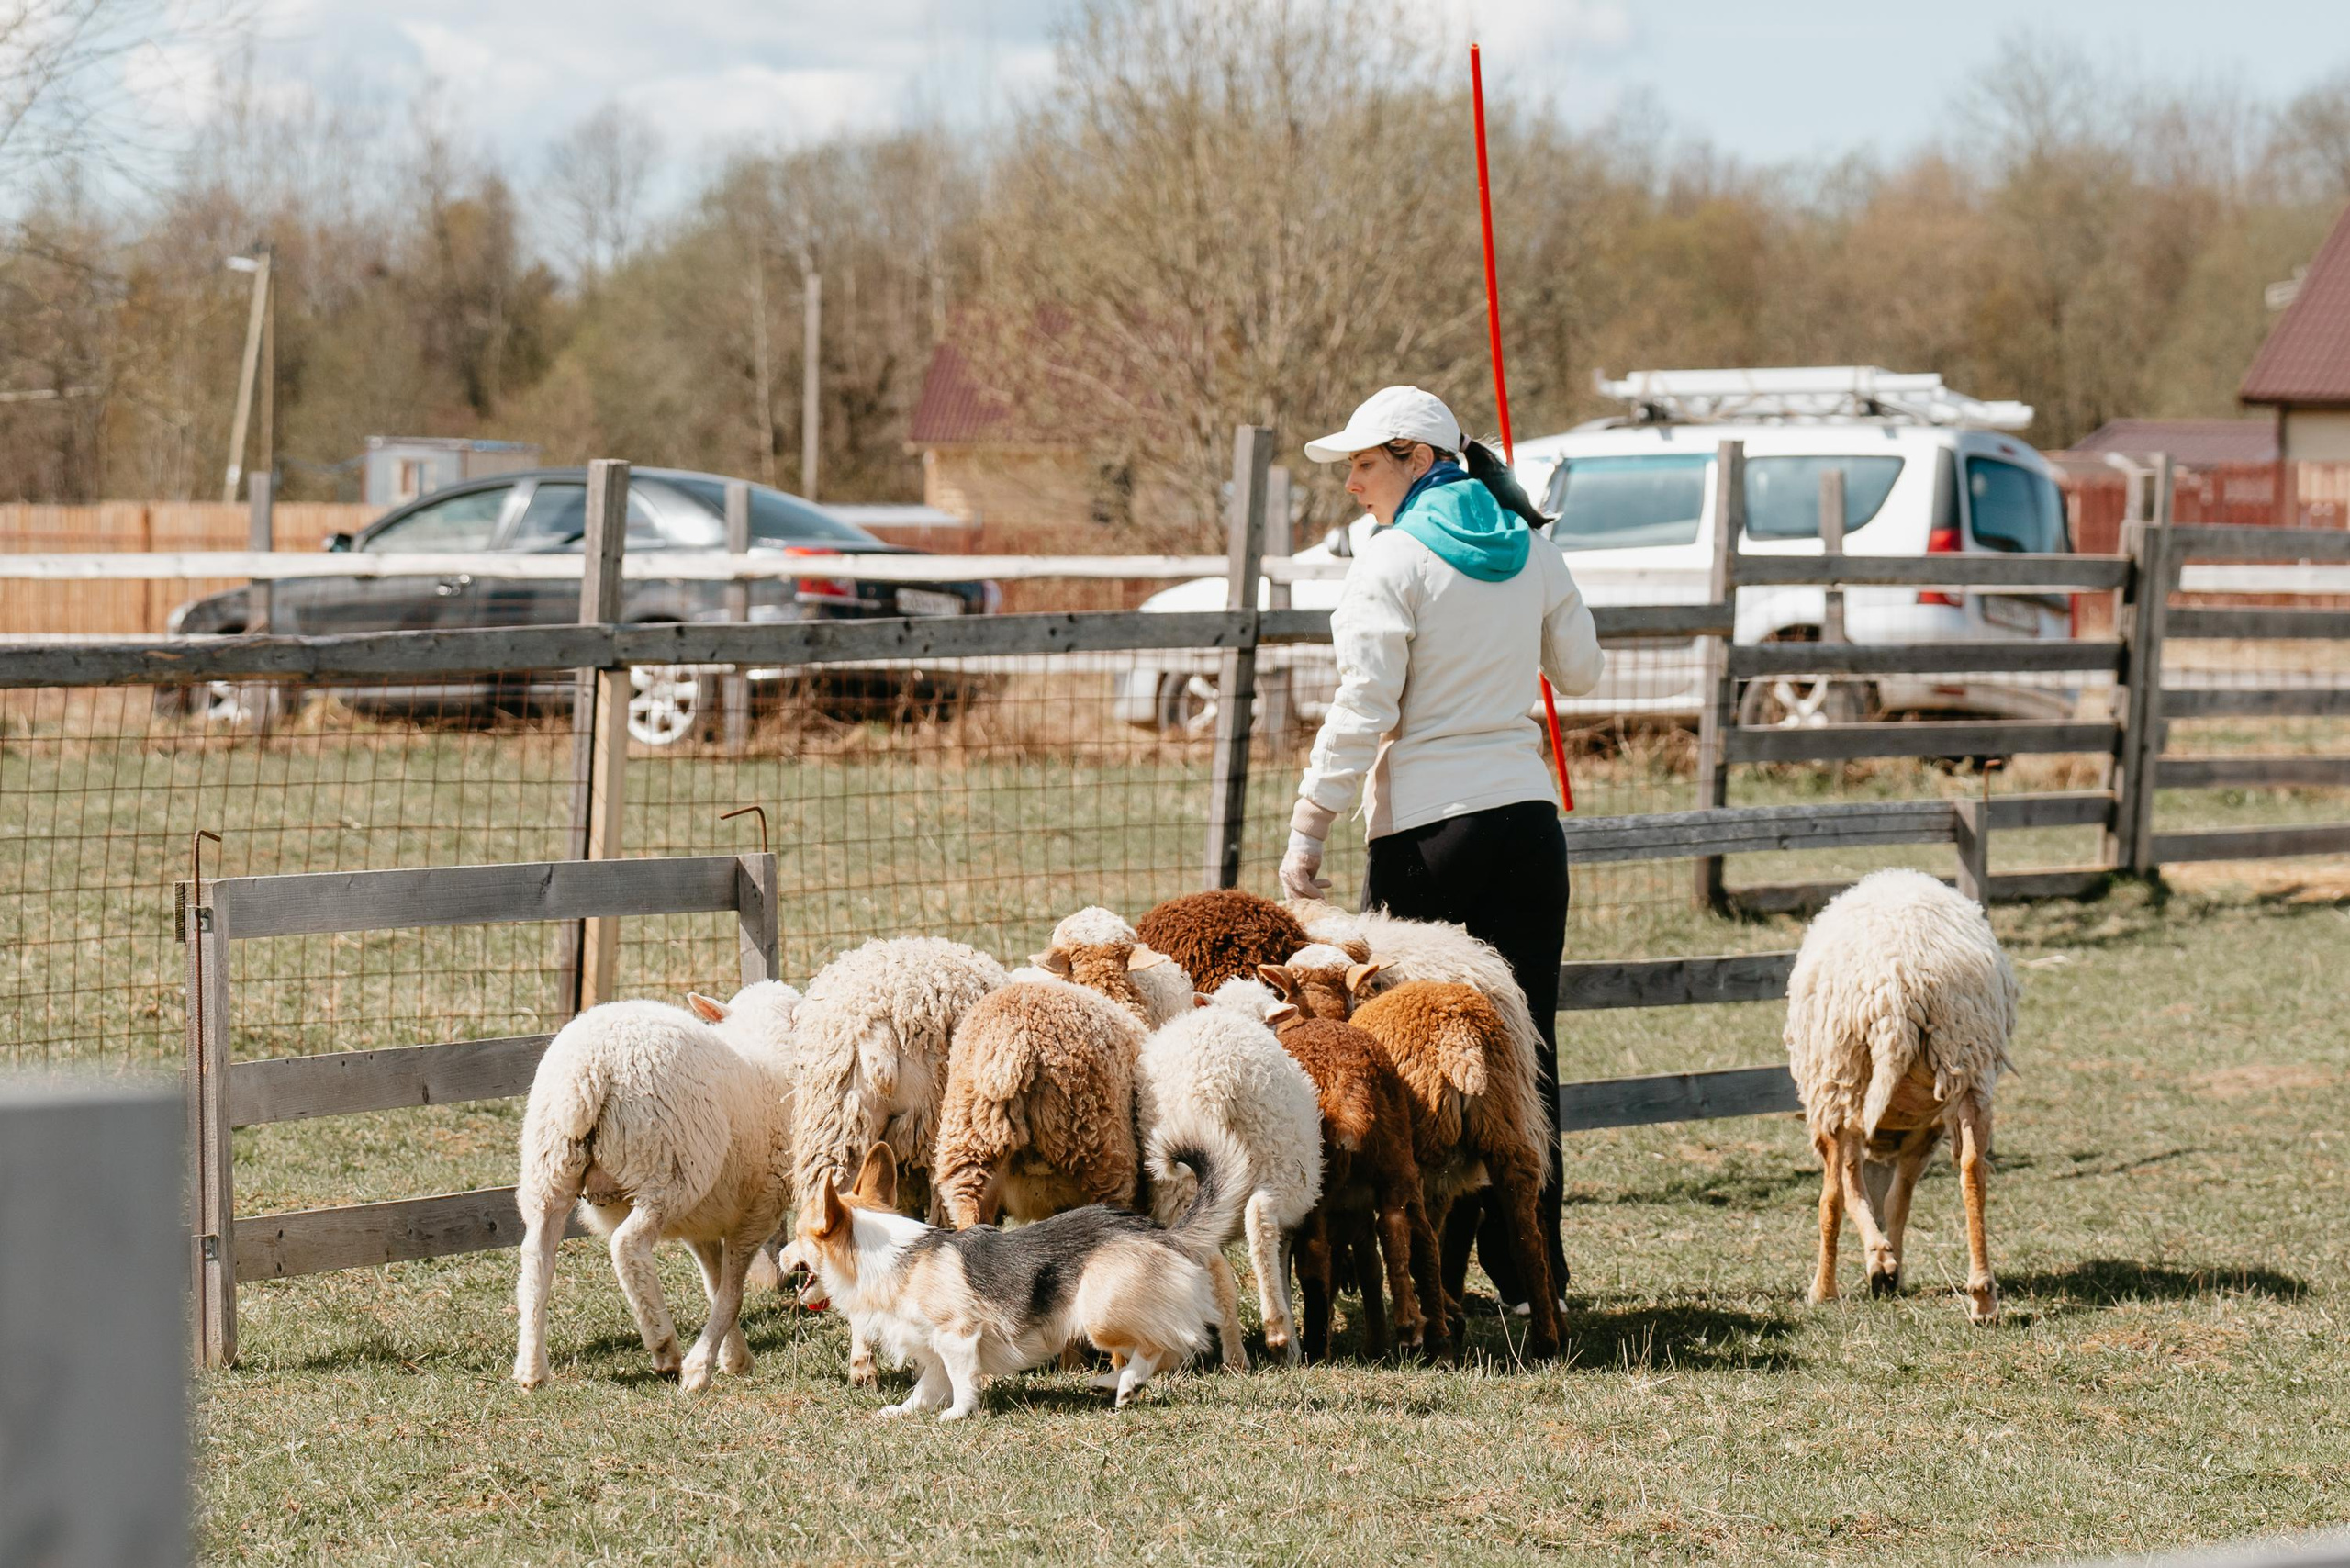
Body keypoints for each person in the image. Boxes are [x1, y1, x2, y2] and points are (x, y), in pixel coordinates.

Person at [1280, 384, 1604, 1314]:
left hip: (1428, 833)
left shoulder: (1391, 561)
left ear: (1417, 458)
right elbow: (1581, 668)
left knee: (1411, 1052)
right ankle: (1533, 1271)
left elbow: (1363, 707)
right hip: (1526, 830)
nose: (1351, 484)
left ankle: (1425, 1281)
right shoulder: (1532, 545)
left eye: (1364, 463)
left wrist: (1310, 825)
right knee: (1522, 1051)